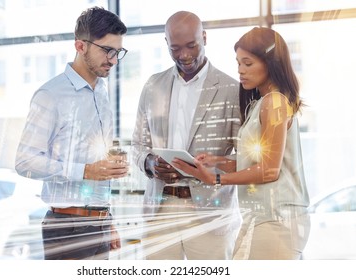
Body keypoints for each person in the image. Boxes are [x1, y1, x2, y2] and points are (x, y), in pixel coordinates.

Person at [173, 27, 310, 260]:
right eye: (238, 63)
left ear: (271, 63)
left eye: (248, 63)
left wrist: (216, 179)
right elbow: (255, 162)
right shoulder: (261, 103)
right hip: (262, 217)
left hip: (276, 218)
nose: (240, 71)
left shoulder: (275, 102)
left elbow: (269, 170)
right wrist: (218, 162)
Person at [15, 7, 129, 260]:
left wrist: (106, 219)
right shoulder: (51, 95)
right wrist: (86, 170)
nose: (113, 60)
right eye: (107, 50)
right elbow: (25, 162)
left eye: (118, 52)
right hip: (67, 227)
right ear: (80, 46)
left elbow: (99, 164)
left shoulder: (102, 92)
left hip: (98, 224)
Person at [131, 11, 242, 260]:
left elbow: (245, 157)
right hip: (160, 209)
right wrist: (149, 163)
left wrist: (212, 167)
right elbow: (137, 145)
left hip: (210, 213)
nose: (184, 55)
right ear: (167, 45)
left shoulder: (232, 90)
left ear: (204, 37)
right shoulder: (152, 86)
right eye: (175, 48)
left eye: (192, 45)